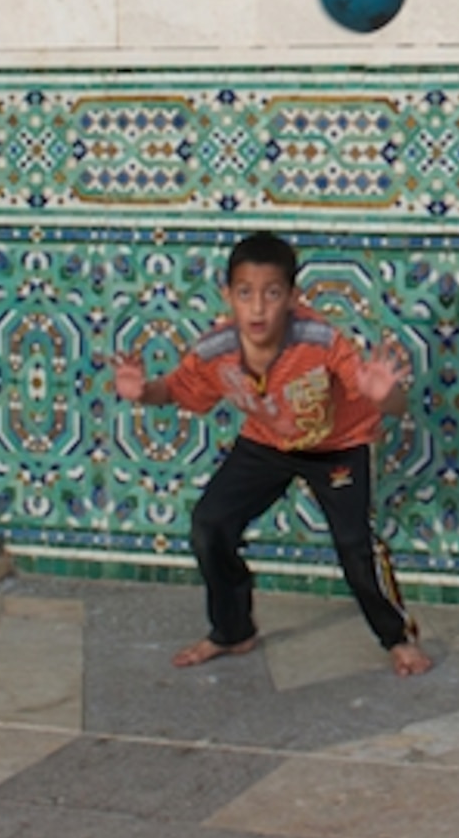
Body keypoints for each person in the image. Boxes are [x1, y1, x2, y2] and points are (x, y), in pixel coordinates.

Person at [109, 231, 432, 678]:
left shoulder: (320, 339)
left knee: (354, 546)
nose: (258, 307)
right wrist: (143, 391)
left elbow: (393, 402)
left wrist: (385, 396)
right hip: (266, 443)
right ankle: (231, 629)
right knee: (209, 525)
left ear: (293, 298)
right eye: (245, 293)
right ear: (227, 296)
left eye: (272, 293)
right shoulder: (215, 350)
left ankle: (397, 637)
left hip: (337, 445)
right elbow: (175, 390)